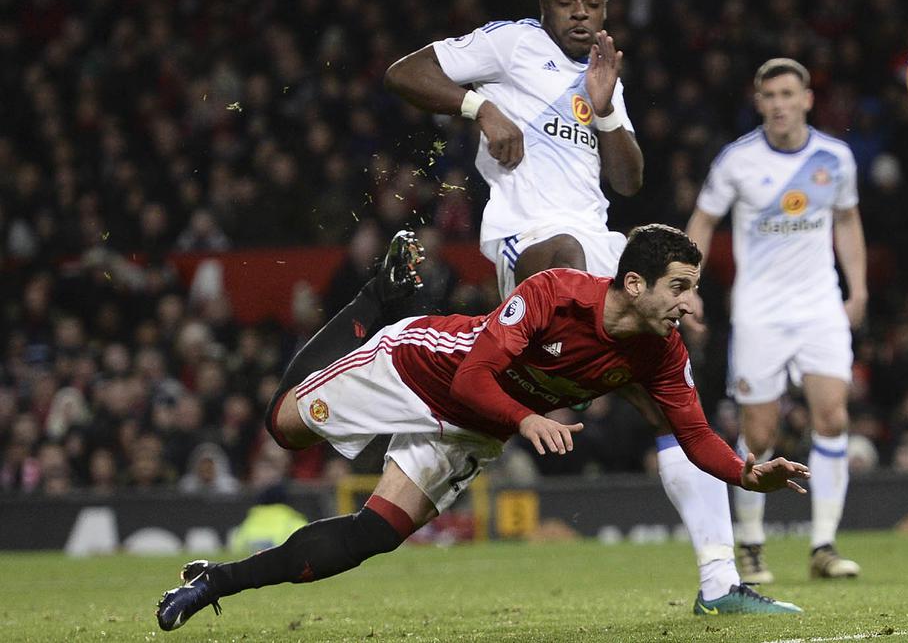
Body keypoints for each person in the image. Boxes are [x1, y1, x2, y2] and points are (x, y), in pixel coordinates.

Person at [155, 225, 807, 631]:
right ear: (634, 283)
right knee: (282, 428)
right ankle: (372, 302)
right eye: (678, 287)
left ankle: (217, 581)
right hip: (421, 368)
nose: (688, 303)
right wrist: (525, 418)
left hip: (472, 429)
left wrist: (747, 474)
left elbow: (693, 435)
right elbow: (472, 379)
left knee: (375, 535)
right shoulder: (557, 293)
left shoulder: (663, 351)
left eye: (692, 288)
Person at [384, 0, 753, 612]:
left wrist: (606, 107)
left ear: (606, 9)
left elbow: (629, 179)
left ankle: (720, 580)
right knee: (564, 262)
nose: (579, 14)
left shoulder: (601, 72)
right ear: (543, 6)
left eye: (591, 4)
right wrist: (478, 111)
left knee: (674, 392)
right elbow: (403, 73)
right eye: (565, 2)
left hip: (600, 234)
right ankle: (553, 377)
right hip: (523, 234)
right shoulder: (509, 44)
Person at [686, 58, 867, 583]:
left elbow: (848, 220)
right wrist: (687, 284)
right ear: (759, 102)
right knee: (760, 433)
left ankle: (824, 546)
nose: (780, 104)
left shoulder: (835, 158)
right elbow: (703, 219)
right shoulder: (737, 161)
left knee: (832, 416)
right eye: (770, 96)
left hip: (819, 306)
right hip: (760, 312)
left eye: (789, 94)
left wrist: (858, 289)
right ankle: (751, 543)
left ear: (807, 99)